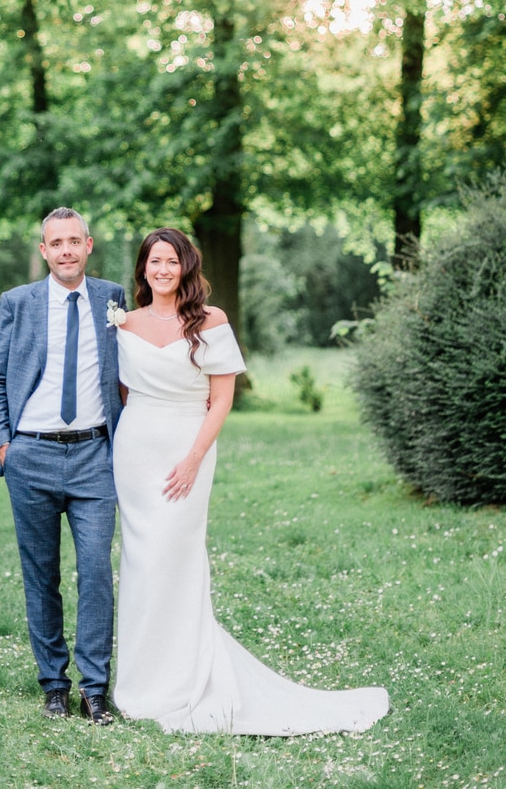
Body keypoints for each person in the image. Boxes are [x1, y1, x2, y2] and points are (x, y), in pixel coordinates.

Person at [112, 227, 390, 735]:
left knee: (176, 558)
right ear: (143, 268)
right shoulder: (124, 323)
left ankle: (182, 680)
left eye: (172, 261)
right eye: (155, 261)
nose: (163, 270)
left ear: (186, 267)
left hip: (188, 447)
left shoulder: (210, 321)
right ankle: (139, 683)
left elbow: (222, 399)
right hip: (134, 454)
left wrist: (193, 456)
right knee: (139, 562)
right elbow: (125, 392)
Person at [0, 207, 126, 725]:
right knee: (40, 575)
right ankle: (52, 684)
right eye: (55, 243)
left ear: (89, 245)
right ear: (43, 251)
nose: (65, 250)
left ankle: (94, 688)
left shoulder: (112, 298)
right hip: (32, 457)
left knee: (95, 572)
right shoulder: (18, 303)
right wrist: (4, 445)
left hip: (94, 457)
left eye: (74, 241)